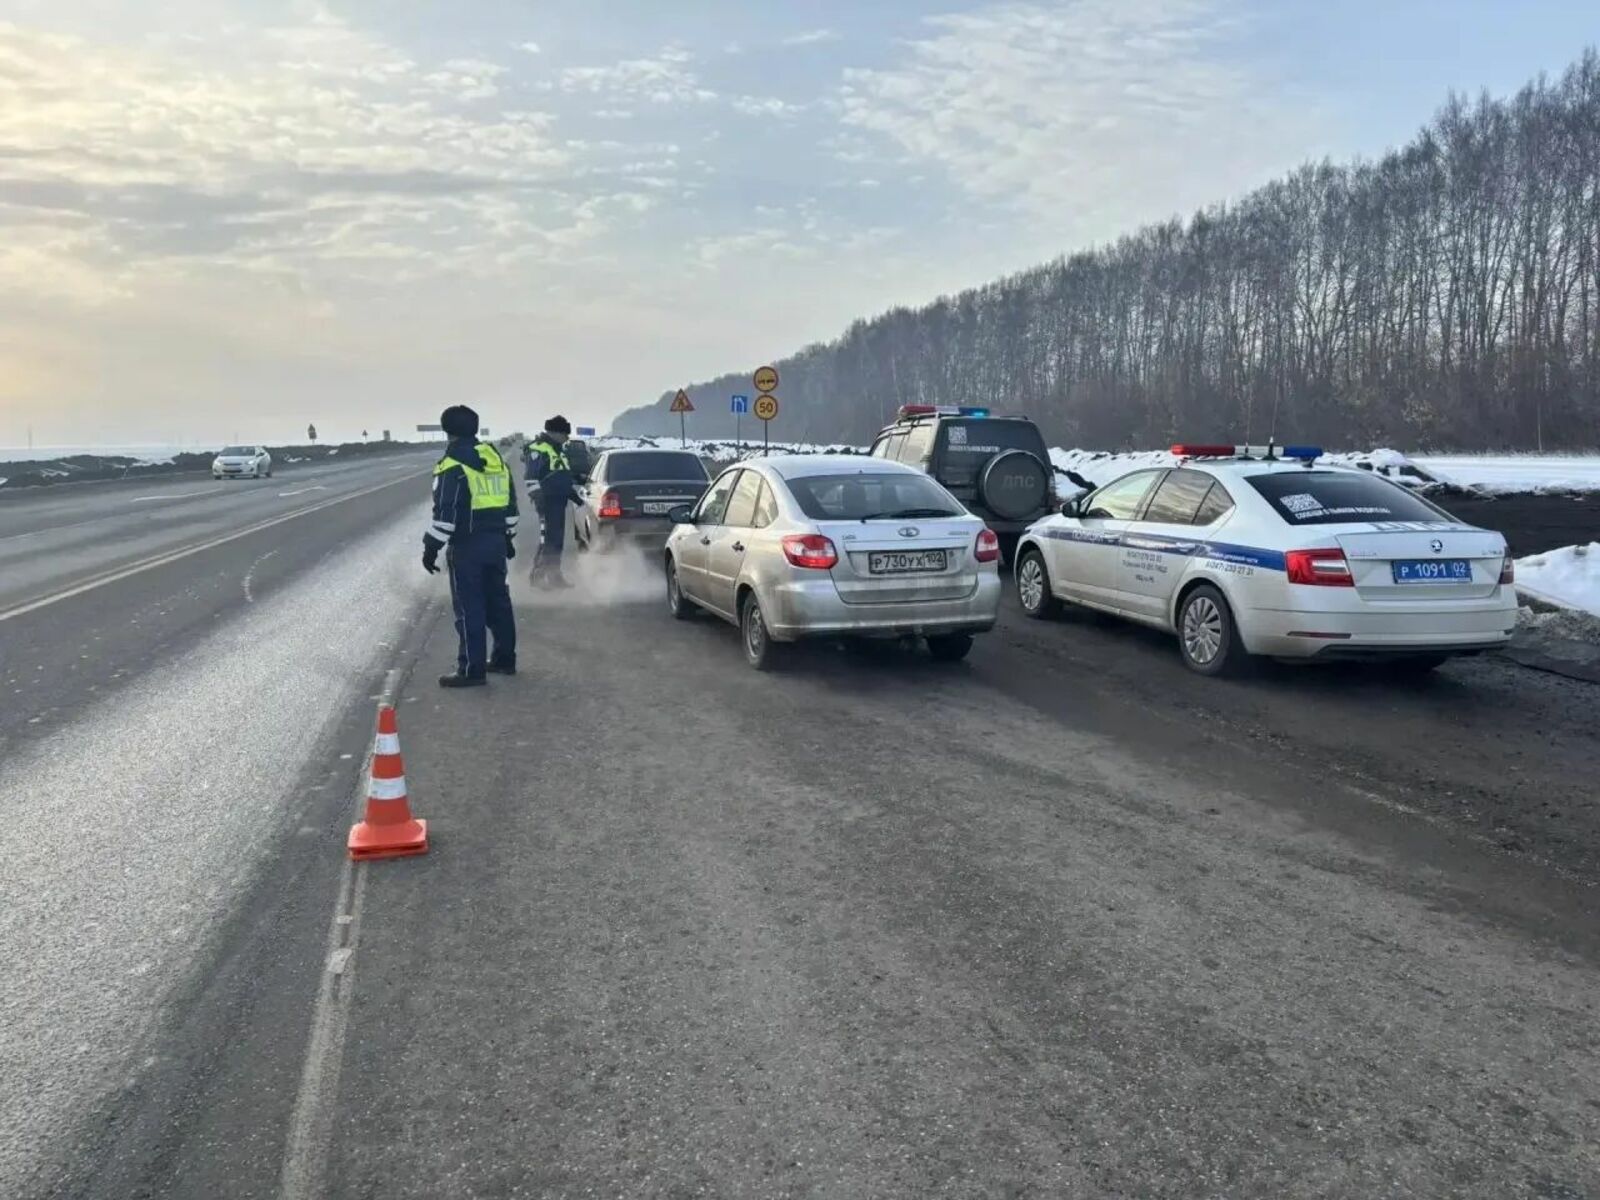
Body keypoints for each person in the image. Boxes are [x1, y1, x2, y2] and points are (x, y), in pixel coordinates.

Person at [423, 405, 518, 687]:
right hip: (496, 543)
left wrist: (431, 548)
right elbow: (510, 505)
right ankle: (504, 659)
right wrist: (508, 538)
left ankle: (471, 670)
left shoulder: (451, 465)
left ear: (447, 431)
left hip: (467, 547)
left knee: (469, 607)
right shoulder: (494, 460)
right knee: (499, 603)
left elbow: (446, 513)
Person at [525, 415, 583, 588]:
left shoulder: (557, 450)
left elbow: (562, 478)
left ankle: (550, 575)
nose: (567, 438)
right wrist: (539, 500)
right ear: (555, 432)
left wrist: (576, 498)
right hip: (547, 502)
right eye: (565, 434)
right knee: (549, 541)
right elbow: (531, 478)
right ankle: (542, 577)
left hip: (559, 501)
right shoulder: (539, 449)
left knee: (555, 541)